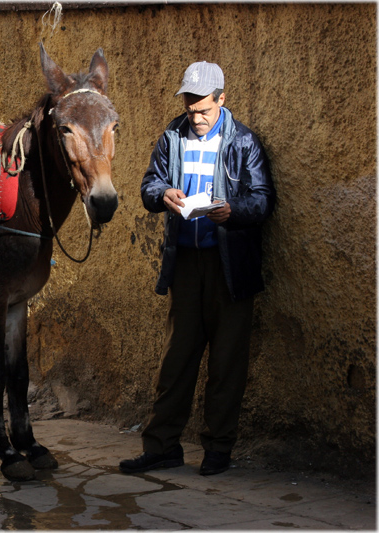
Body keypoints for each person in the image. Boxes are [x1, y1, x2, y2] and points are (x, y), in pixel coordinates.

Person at [120, 61, 275, 476]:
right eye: (191, 110)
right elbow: (149, 184)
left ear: (222, 100)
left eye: (204, 110)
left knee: (227, 364)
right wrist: (162, 194)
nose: (197, 118)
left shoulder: (244, 142)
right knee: (176, 360)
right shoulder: (173, 136)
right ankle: (162, 446)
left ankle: (218, 449)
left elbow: (262, 201)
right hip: (186, 264)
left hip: (230, 269)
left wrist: (233, 211)